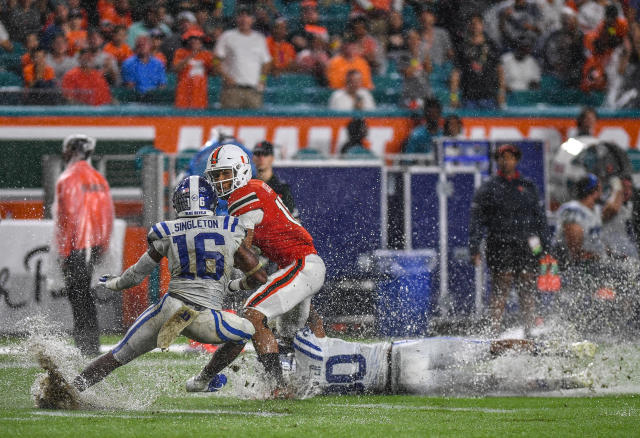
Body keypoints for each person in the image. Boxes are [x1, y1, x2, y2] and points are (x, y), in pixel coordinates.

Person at [36, 176, 267, 408]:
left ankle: (68, 390)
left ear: (179, 203)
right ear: (212, 203)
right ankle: (202, 380)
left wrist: (115, 283)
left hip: (170, 307)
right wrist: (233, 285)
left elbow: (137, 274)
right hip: (205, 317)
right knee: (246, 330)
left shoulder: (167, 230)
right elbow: (258, 277)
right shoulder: (230, 227)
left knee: (117, 356)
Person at [200, 144, 326, 395]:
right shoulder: (254, 190)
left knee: (253, 315)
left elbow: (243, 249)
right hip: (300, 266)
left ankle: (276, 386)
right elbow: (252, 265)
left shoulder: (244, 194)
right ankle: (323, 370)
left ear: (241, 170)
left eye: (225, 174)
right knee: (293, 329)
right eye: (217, 176)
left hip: (300, 264)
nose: (220, 181)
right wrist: (236, 283)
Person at [469, 144, 551, 336]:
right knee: (501, 286)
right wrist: (474, 247)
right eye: (502, 157)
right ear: (497, 160)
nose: (507, 161)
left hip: (527, 244)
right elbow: (477, 219)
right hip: (500, 243)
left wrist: (544, 249)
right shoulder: (489, 188)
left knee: (527, 286)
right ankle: (493, 330)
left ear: (517, 160)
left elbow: (540, 219)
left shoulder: (528, 186)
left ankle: (530, 330)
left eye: (510, 157)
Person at [53, 134, 114, 356]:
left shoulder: (67, 178)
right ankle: (90, 343)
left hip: (76, 246)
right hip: (94, 244)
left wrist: (63, 251)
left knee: (78, 297)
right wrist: (103, 246)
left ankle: (85, 344)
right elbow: (107, 215)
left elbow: (66, 218)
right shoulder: (98, 178)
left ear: (70, 150)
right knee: (85, 296)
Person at [214, 7, 272, 109]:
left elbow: (267, 62)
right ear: (236, 19)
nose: (244, 19)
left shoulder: (259, 38)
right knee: (230, 122)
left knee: (254, 124)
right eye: (241, 16)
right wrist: (225, 77)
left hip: (253, 91)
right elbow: (216, 60)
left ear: (252, 20)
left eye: (247, 16)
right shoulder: (227, 36)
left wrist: (262, 79)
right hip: (232, 90)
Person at [450, 14, 506, 110]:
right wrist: (453, 97)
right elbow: (456, 73)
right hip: (468, 98)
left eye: (478, 23)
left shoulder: (491, 45)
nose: (475, 26)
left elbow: (500, 71)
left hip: (489, 96)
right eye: (472, 24)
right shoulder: (462, 47)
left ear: (482, 25)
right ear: (468, 26)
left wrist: (501, 93)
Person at [173, 28, 214, 109]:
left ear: (202, 42)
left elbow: (214, 71)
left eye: (198, 39)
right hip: (184, 94)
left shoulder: (207, 54)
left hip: (200, 95)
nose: (195, 41)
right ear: (187, 41)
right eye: (192, 39)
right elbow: (176, 68)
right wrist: (192, 55)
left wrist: (215, 58)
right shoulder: (180, 52)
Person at [252, 140, 296, 215]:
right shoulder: (247, 186)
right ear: (253, 158)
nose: (261, 158)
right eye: (258, 154)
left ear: (272, 158)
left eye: (265, 154)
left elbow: (293, 221)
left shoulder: (282, 189)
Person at [403, 96, 443, 160]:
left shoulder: (444, 134)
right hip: (420, 168)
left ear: (440, 113)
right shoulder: (416, 135)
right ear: (425, 114)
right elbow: (407, 160)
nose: (432, 116)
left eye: (435, 113)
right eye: (430, 113)